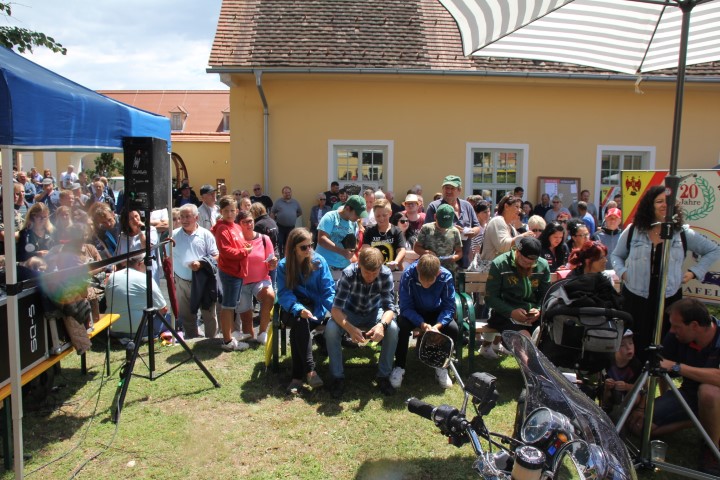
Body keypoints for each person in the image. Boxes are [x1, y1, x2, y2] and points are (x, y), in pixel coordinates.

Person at [610, 185, 720, 362]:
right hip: (637, 297)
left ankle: (662, 382)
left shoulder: (681, 232)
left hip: (668, 298)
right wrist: (623, 273)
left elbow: (714, 250)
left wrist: (694, 272)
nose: (664, 205)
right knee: (636, 344)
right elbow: (616, 255)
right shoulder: (633, 230)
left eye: (668, 202)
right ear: (650, 205)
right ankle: (636, 384)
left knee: (666, 347)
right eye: (659, 201)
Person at [630, 298, 720, 475]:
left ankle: (713, 448)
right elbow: (661, 366)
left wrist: (679, 367)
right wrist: (648, 404)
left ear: (694, 325)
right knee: (638, 425)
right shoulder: (676, 336)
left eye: (676, 326)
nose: (672, 330)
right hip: (689, 394)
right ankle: (702, 420)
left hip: (714, 397)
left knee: (708, 392)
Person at [326, 246, 400, 398]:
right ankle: (337, 377)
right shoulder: (348, 274)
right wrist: (350, 329)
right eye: (367, 272)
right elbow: (336, 309)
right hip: (350, 312)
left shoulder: (385, 274)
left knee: (392, 328)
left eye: (375, 273)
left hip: (374, 312)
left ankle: (383, 376)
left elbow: (390, 308)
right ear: (359, 265)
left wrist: (381, 325)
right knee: (331, 328)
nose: (371, 277)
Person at [277, 228, 335, 394]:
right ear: (293, 247)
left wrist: (335, 311)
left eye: (310, 246)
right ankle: (310, 370)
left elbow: (328, 290)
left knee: (298, 328)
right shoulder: (284, 265)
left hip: (315, 308)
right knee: (299, 321)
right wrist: (298, 308)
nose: (309, 250)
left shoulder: (319, 261)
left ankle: (297, 378)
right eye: (304, 247)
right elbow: (284, 293)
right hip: (291, 308)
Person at [479, 237, 551, 358]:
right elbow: (491, 298)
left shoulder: (542, 265)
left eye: (532, 263)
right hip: (504, 313)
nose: (529, 266)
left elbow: (546, 294)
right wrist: (511, 312)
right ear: (517, 252)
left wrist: (538, 310)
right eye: (525, 261)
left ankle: (547, 371)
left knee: (548, 334)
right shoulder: (500, 264)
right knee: (522, 339)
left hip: (532, 314)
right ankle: (531, 372)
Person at [392, 254, 457, 389]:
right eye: (423, 280)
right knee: (402, 324)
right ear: (418, 271)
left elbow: (449, 307)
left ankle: (440, 365)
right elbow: (405, 306)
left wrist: (438, 326)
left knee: (453, 329)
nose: (426, 285)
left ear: (438, 273)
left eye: (430, 281)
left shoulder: (446, 276)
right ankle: (399, 366)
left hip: (436, 313)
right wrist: (421, 323)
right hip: (413, 312)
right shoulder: (408, 274)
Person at [172, 203, 220, 340]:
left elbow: (216, 255)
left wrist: (201, 263)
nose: (184, 220)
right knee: (186, 314)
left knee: (208, 313)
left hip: (203, 281)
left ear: (196, 217)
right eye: (182, 217)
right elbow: (168, 257)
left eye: (188, 216)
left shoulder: (206, 235)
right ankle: (191, 339)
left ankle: (211, 341)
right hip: (182, 280)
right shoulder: (173, 235)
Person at [211, 195, 252, 352]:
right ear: (221, 211)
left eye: (232, 210)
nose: (230, 214)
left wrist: (244, 245)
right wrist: (244, 251)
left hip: (238, 272)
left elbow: (237, 243)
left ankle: (229, 335)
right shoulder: (222, 228)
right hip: (229, 272)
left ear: (237, 211)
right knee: (227, 306)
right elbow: (226, 251)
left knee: (231, 305)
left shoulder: (235, 226)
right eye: (226, 211)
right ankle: (227, 340)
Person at [235, 210, 278, 344]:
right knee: (247, 325)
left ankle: (263, 332)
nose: (249, 224)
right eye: (245, 222)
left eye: (251, 221)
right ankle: (250, 336)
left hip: (261, 280)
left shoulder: (264, 239)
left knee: (270, 296)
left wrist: (272, 264)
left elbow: (271, 263)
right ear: (239, 224)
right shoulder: (236, 241)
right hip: (241, 283)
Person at [105, 254, 168, 340]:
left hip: (112, 330)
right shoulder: (146, 278)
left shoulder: (112, 277)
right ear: (140, 263)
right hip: (139, 331)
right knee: (172, 319)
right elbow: (163, 309)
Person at [424, 175, 480, 269]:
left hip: (464, 260)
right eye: (446, 188)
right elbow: (427, 231)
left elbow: (477, 226)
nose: (448, 191)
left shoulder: (467, 206)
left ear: (459, 190)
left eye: (452, 188)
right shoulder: (434, 207)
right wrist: (450, 229)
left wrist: (472, 232)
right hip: (440, 262)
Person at [479, 194, 533, 268]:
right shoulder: (497, 221)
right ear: (506, 206)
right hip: (491, 271)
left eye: (520, 207)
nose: (519, 210)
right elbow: (503, 246)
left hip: (503, 269)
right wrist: (523, 236)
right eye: (517, 207)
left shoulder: (511, 227)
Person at [314, 195, 366, 270]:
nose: (359, 217)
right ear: (347, 208)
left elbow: (350, 246)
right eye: (357, 214)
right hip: (325, 265)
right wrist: (342, 252)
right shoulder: (330, 217)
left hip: (343, 267)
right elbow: (322, 239)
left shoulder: (353, 223)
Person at [414, 204, 463, 275]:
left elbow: (459, 252)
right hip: (428, 267)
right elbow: (416, 247)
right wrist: (426, 252)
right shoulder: (426, 228)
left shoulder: (454, 231)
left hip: (448, 269)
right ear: (435, 216)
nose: (443, 227)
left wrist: (453, 258)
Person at [602, 330, 641, 419]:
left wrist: (627, 386)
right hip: (610, 393)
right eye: (622, 345)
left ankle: (627, 416)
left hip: (628, 396)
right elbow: (602, 379)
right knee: (606, 392)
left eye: (631, 343)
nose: (629, 348)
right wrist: (607, 385)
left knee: (636, 396)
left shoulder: (636, 364)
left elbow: (641, 387)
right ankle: (606, 413)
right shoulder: (609, 360)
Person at [116, 209, 160, 283]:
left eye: (136, 216)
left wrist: (141, 232)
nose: (135, 220)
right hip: (129, 276)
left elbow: (147, 248)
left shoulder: (151, 230)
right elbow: (119, 258)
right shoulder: (123, 236)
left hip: (147, 274)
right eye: (131, 218)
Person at [361, 199, 406, 271]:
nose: (381, 218)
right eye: (378, 216)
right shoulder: (369, 230)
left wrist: (396, 261)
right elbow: (365, 249)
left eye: (384, 215)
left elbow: (402, 250)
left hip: (391, 271)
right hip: (373, 270)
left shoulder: (396, 231)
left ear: (390, 213)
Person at [271, 186, 302, 257]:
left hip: (291, 228)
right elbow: (272, 212)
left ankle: (286, 258)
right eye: (285, 193)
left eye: (289, 192)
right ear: (282, 193)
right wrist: (272, 222)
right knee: (279, 242)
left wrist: (293, 216)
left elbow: (300, 212)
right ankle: (279, 257)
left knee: (288, 244)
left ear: (291, 193)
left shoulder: (295, 202)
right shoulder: (278, 202)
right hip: (280, 227)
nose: (287, 194)